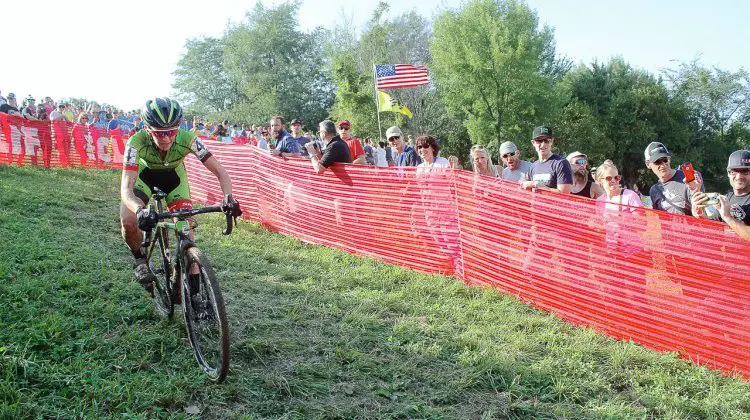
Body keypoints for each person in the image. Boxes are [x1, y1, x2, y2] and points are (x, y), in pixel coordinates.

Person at [119, 97, 239, 291]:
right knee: (128, 219)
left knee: (186, 232)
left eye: (171, 131)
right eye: (159, 133)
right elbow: (126, 189)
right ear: (147, 129)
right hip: (145, 177)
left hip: (174, 179)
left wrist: (228, 197)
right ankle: (140, 260)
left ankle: (195, 294)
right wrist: (139, 209)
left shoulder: (188, 139)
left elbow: (220, 172)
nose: (166, 138)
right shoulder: (135, 142)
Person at [692, 150, 750, 241]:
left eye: (745, 171)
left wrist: (728, 217)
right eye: (734, 171)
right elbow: (712, 229)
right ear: (728, 174)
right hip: (726, 254)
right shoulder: (725, 199)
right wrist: (700, 214)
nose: (739, 177)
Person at [645, 141, 702, 215]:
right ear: (648, 164)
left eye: (665, 160)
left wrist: (696, 190)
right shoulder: (654, 190)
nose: (663, 165)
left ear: (669, 159)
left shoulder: (688, 179)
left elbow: (701, 213)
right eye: (657, 161)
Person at [521, 126, 572, 193]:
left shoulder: (561, 163)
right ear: (533, 143)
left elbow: (565, 195)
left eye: (547, 140)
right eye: (539, 141)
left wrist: (537, 185)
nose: (543, 145)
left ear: (552, 141)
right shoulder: (532, 167)